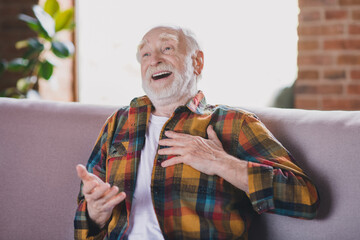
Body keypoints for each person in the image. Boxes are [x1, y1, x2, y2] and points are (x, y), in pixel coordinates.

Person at [74, 26, 319, 240]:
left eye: (167, 48)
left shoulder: (234, 123)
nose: (153, 60)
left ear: (197, 62)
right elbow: (84, 224)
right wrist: (96, 211)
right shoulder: (118, 123)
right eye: (145, 54)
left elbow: (305, 198)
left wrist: (223, 163)